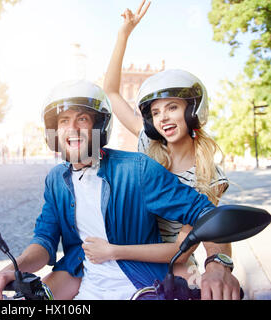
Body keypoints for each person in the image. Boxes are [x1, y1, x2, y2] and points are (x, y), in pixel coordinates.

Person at [0, 78, 237, 300]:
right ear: (54, 132)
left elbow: (203, 213)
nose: (72, 128)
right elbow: (45, 241)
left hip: (144, 281)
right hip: (81, 277)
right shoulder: (55, 179)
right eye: (63, 121)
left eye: (82, 119)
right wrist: (12, 268)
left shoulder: (137, 169)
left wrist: (217, 264)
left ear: (99, 126)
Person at [100, 0, 239, 299]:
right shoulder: (147, 144)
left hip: (169, 263)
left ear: (192, 112)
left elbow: (195, 240)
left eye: (172, 107)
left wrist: (218, 263)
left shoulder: (207, 174)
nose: (162, 117)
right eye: (156, 111)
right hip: (124, 252)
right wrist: (124, 34)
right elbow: (110, 90)